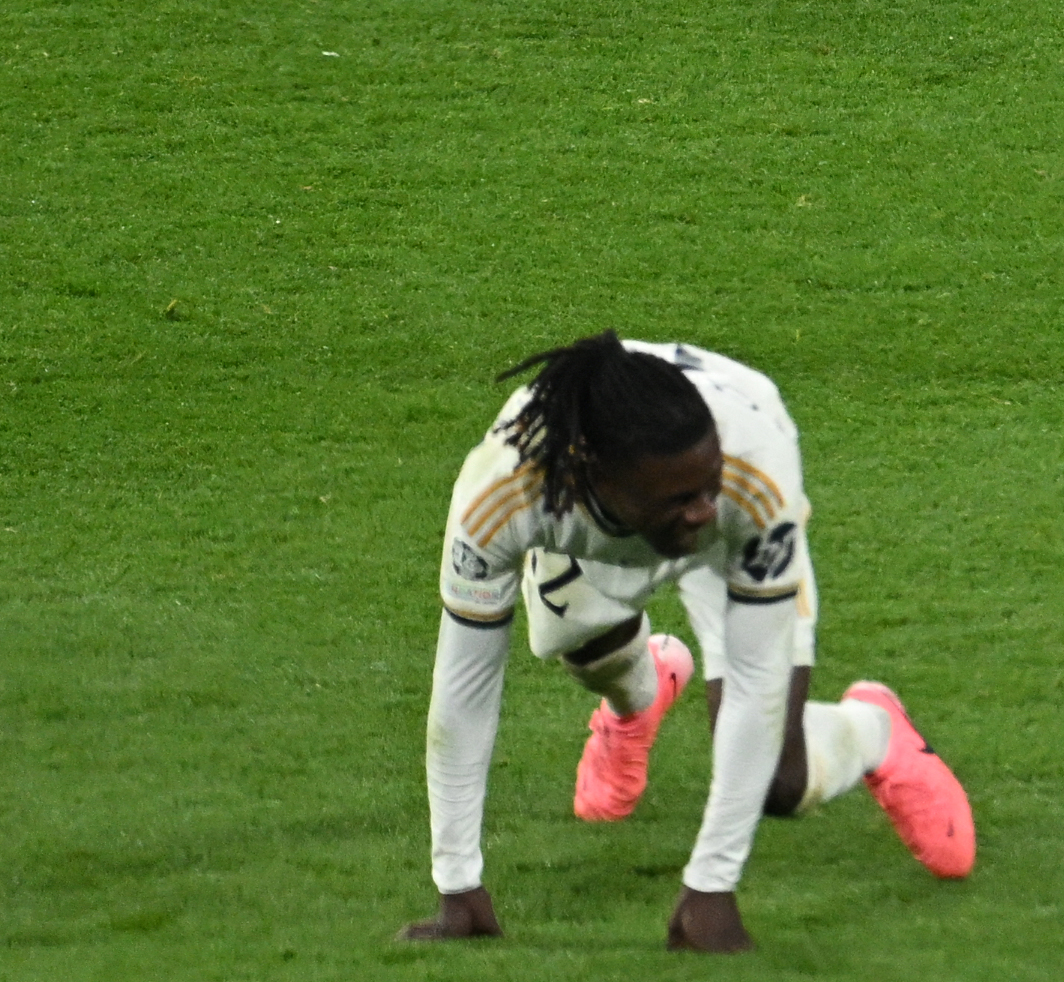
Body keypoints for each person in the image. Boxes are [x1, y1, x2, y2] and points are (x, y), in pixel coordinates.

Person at [402, 333, 975, 952]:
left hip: (739, 527)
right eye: (683, 497)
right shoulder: (504, 495)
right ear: (594, 470)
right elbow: (464, 690)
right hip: (602, 529)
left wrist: (711, 888)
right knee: (580, 648)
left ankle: (875, 729)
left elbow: (757, 679)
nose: (702, 509)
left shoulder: (749, 476)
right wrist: (457, 886)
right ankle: (637, 700)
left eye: (706, 487)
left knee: (779, 782)